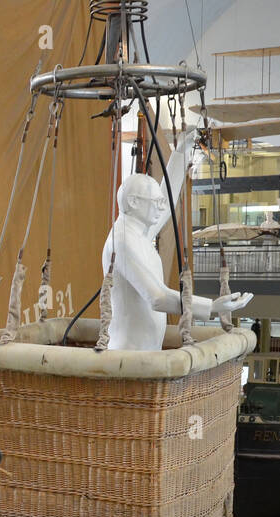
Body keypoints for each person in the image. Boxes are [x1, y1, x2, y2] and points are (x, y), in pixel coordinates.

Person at [98, 124, 252, 350]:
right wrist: (210, 307)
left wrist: (182, 152)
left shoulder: (137, 232)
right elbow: (157, 298)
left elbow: (166, 203)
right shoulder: (122, 241)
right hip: (129, 356)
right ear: (133, 203)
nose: (160, 207)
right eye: (155, 203)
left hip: (144, 353)